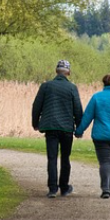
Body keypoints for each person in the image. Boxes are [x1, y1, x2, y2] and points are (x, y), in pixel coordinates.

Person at [31, 60, 84, 198]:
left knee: (52, 158)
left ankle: (52, 189)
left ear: (56, 71)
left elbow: (36, 106)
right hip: (67, 128)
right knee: (65, 158)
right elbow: (78, 109)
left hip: (50, 127)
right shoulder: (72, 88)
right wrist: (79, 128)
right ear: (68, 72)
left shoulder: (46, 86)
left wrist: (35, 123)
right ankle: (64, 187)